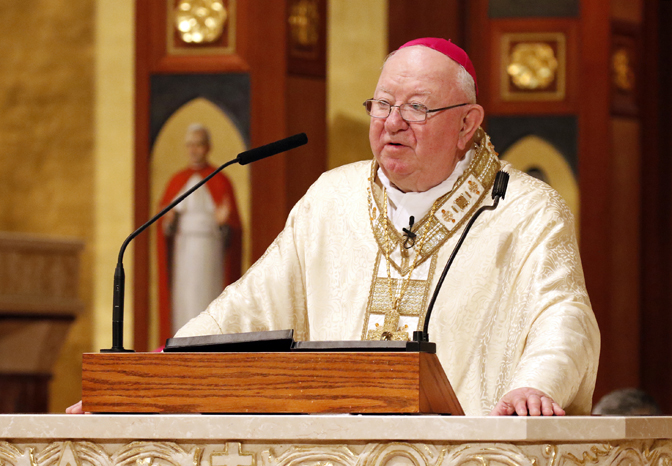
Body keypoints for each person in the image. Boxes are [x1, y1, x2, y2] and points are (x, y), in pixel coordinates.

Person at [67, 38, 599, 416]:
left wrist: (534, 385)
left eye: (417, 108)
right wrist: (143, 387)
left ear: (467, 123)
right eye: (382, 104)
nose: (392, 122)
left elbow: (562, 316)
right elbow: (246, 308)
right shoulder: (332, 199)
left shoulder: (526, 210)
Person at [156, 124, 242, 340]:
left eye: (199, 145)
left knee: (207, 300)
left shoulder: (220, 180)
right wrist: (169, 222)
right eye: (190, 145)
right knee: (185, 300)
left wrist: (224, 224)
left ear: (208, 147)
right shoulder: (176, 181)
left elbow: (234, 226)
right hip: (183, 251)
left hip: (210, 251)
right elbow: (164, 223)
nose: (194, 150)